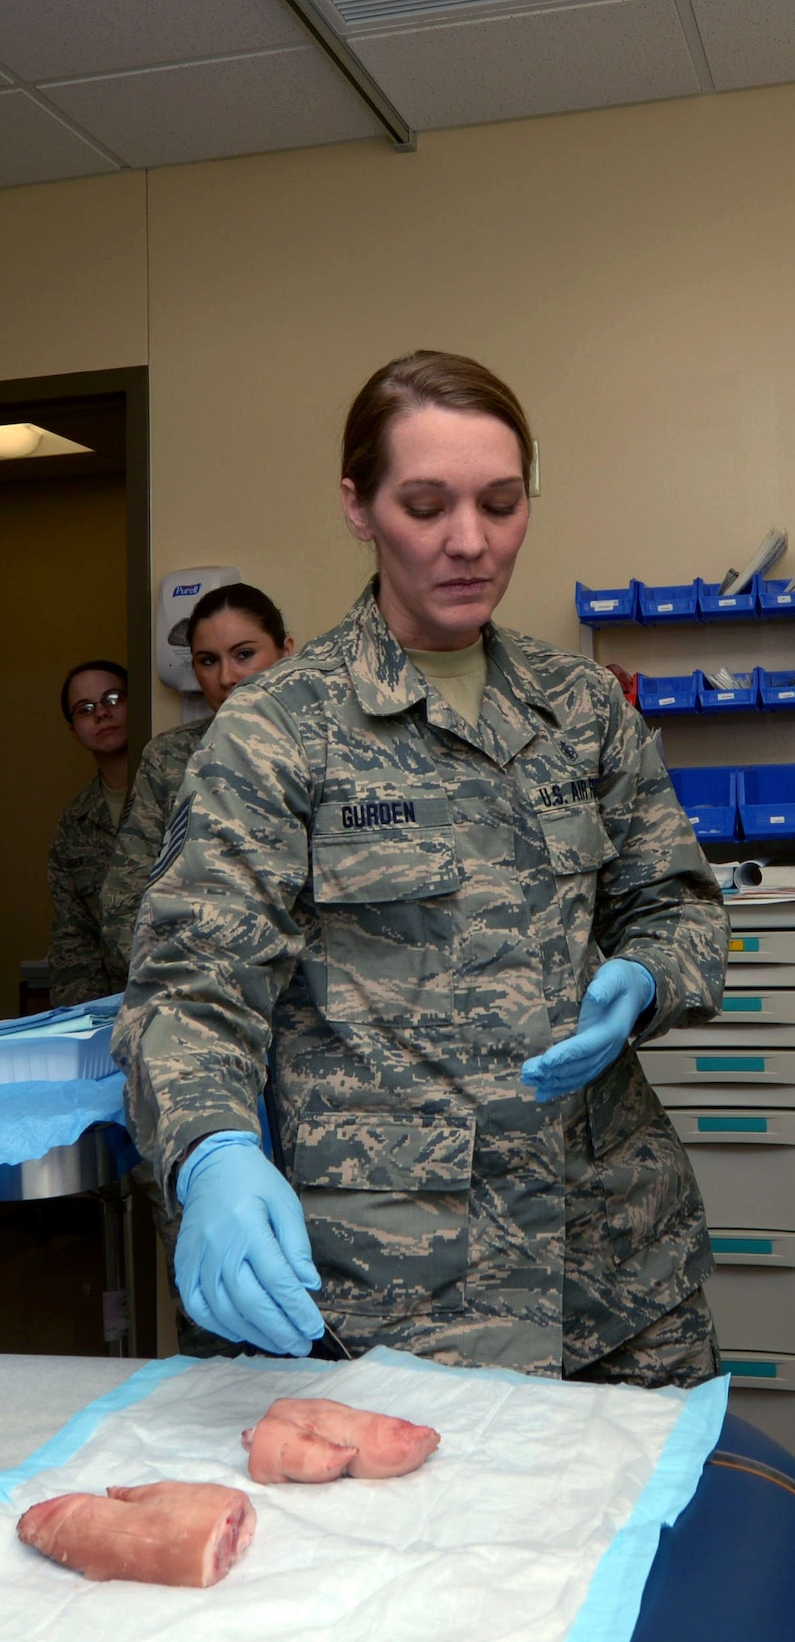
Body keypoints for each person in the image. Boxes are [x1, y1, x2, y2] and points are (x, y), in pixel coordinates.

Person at [113, 351, 727, 1388]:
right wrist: (210, 1147)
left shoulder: (579, 707)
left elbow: (676, 903)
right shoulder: (279, 730)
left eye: (501, 502)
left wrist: (650, 976)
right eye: (426, 504)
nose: (470, 541)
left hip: (618, 1277)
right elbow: (191, 985)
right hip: (386, 1297)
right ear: (358, 506)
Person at [101, 583, 293, 972]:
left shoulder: (330, 748)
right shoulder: (169, 758)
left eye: (244, 654)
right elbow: (125, 900)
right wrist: (177, 985)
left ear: (286, 653)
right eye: (208, 661)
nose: (227, 677)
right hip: (201, 992)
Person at [47, 659, 130, 1004]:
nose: (101, 714)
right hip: (116, 1008)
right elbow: (74, 938)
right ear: (73, 730)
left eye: (113, 699)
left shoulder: (177, 789)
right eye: (85, 709)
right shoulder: (74, 825)